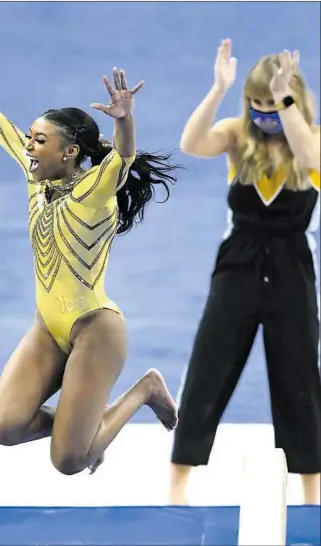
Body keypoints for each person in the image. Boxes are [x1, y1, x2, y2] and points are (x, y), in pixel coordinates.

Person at [0, 7, 181, 476]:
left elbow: (123, 157)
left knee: (68, 461)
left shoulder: (92, 194)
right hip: (48, 326)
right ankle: (89, 427)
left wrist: (125, 120)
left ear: (69, 153)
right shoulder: (35, 177)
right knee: (5, 426)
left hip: (95, 331)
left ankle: (145, 390)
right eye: (30, 138)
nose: (29, 146)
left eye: (40, 140)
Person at [169, 39, 320, 505]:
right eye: (255, 104)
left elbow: (310, 160)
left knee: (299, 379)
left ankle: (312, 493)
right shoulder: (238, 136)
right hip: (237, 264)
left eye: (270, 103)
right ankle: (177, 487)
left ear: (292, 100)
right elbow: (191, 144)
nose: (262, 112)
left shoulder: (310, 139)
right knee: (208, 369)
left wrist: (285, 100)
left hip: (293, 266)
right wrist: (218, 89)